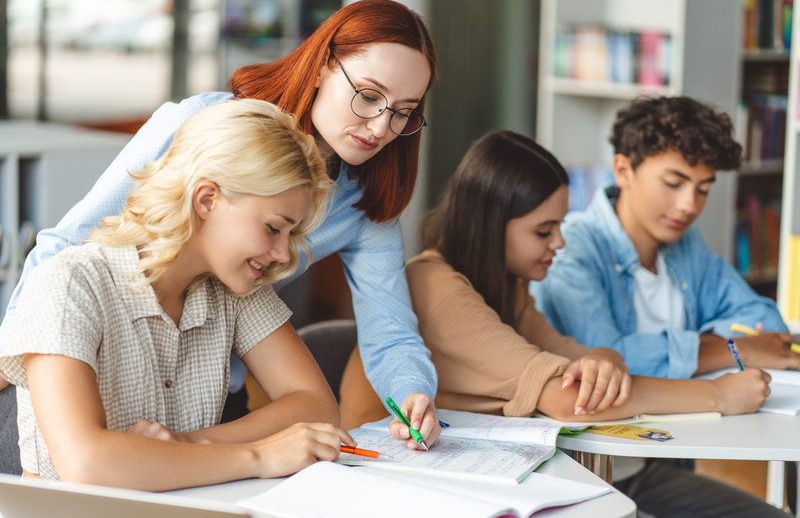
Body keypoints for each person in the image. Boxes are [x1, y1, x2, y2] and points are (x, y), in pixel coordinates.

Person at [0, 0, 442, 449]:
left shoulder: (363, 204)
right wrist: (11, 354)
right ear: (324, 66)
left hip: (204, 390)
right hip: (97, 377)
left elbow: (390, 333)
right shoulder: (203, 123)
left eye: (403, 111)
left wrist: (413, 393)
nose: (381, 126)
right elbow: (68, 246)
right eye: (369, 96)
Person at [339, 130, 787, 518]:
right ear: (492, 225)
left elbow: (572, 352)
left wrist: (606, 357)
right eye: (543, 231)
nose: (559, 242)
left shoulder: (507, 287)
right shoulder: (435, 286)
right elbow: (568, 400)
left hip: (503, 476)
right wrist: (718, 394)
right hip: (404, 488)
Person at [0, 99, 362, 489]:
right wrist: (260, 455)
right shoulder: (71, 282)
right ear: (207, 200)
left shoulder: (233, 290)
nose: (281, 253)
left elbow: (316, 406)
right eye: (274, 228)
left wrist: (188, 444)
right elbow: (86, 464)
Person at [533, 96, 800, 380]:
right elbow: (606, 359)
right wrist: (736, 349)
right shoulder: (571, 249)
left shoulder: (686, 240)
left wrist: (694, 352)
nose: (689, 206)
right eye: (673, 184)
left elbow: (764, 319)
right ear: (623, 171)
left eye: (703, 189)